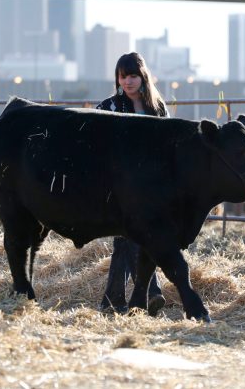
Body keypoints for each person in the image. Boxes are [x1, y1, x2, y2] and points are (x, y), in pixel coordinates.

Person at [97, 52, 169, 316]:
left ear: (143, 77)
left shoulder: (158, 108)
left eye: (132, 76)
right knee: (132, 234)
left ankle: (112, 301)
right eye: (122, 76)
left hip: (149, 185)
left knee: (126, 239)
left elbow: (166, 145)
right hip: (117, 184)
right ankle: (151, 291)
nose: (127, 81)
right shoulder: (108, 107)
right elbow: (94, 143)